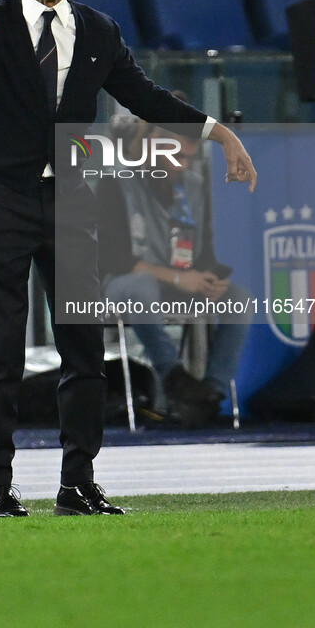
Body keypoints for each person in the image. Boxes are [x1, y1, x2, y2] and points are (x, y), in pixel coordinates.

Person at [0, 0, 257, 518]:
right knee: (0, 353)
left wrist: (217, 133)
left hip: (70, 203)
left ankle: (78, 483)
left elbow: (145, 97)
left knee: (84, 352)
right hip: (1, 200)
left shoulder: (97, 29)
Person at [98, 115, 252, 427]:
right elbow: (112, 258)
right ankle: (174, 377)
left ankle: (209, 395)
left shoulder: (194, 188)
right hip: (123, 286)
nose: (181, 165)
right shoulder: (115, 183)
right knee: (141, 286)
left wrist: (210, 279)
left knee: (240, 297)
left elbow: (204, 254)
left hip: (178, 284)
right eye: (175, 156)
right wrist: (180, 278)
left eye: (187, 158)